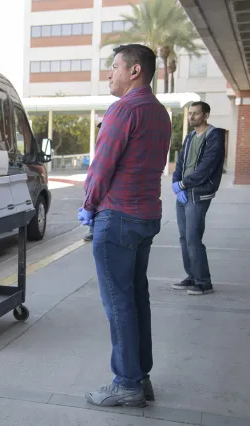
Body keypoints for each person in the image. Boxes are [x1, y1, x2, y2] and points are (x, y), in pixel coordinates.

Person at [77, 44, 171, 408]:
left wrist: (88, 206)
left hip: (117, 218)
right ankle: (140, 375)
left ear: (135, 71)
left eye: (113, 66)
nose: (109, 73)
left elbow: (101, 167)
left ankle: (126, 382)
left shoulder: (123, 110)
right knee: (136, 299)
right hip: (146, 216)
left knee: (118, 304)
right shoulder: (160, 112)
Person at [171, 101, 225, 295]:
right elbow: (180, 164)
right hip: (184, 192)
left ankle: (204, 282)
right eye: (190, 114)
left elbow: (206, 167)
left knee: (193, 238)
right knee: (184, 237)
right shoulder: (190, 136)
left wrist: (183, 184)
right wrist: (176, 183)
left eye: (196, 114)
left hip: (199, 192)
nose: (191, 117)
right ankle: (192, 276)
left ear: (206, 115)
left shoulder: (214, 136)